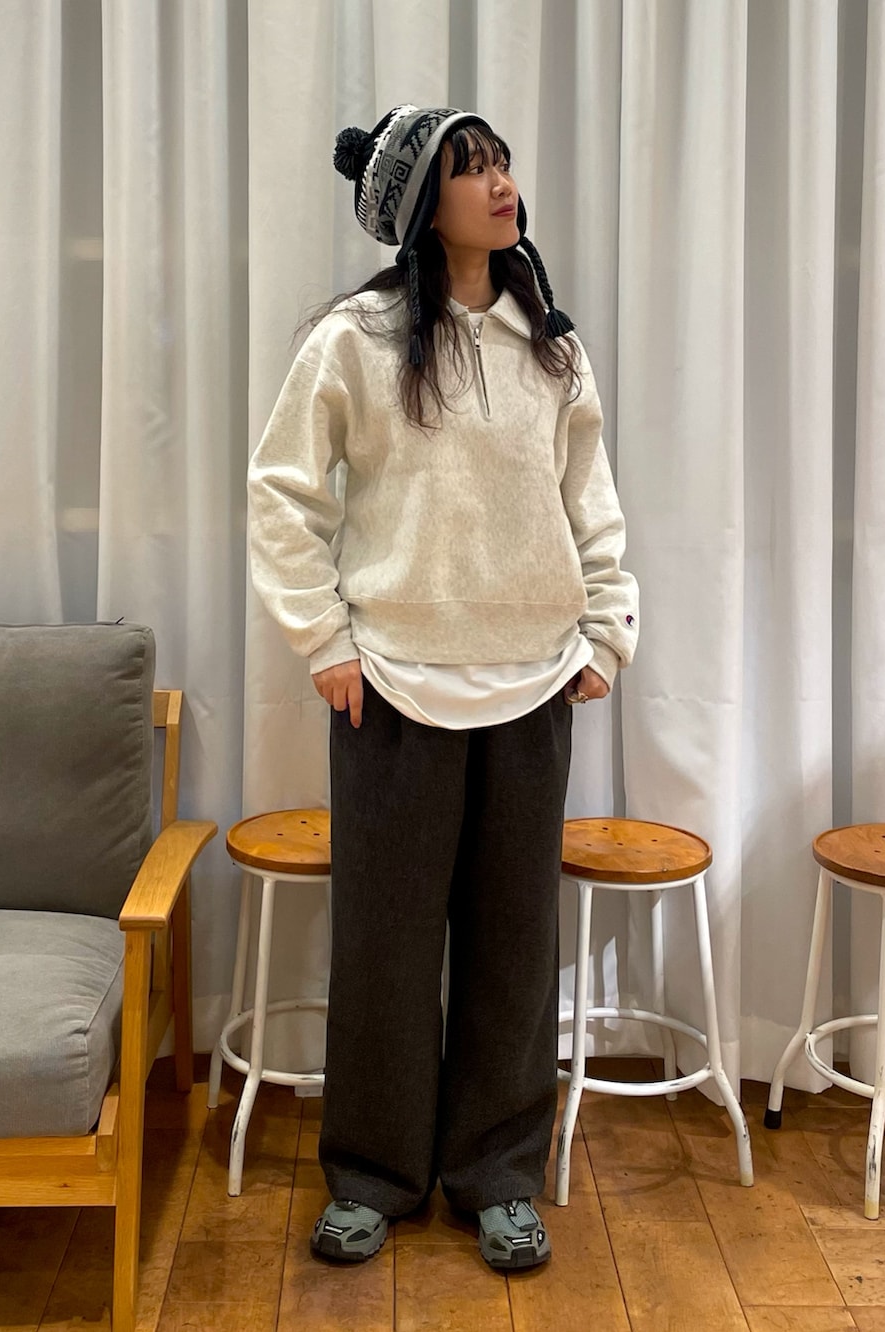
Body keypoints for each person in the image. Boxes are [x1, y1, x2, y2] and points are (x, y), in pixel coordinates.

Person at [248, 104, 639, 1270]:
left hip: (533, 680)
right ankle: (372, 1174)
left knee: (515, 947)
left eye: (503, 162)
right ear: (423, 207)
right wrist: (323, 639)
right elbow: (282, 493)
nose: (502, 184)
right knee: (385, 944)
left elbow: (589, 496)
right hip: (391, 688)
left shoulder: (547, 344)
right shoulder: (355, 340)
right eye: (474, 171)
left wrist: (605, 628)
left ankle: (497, 1175)